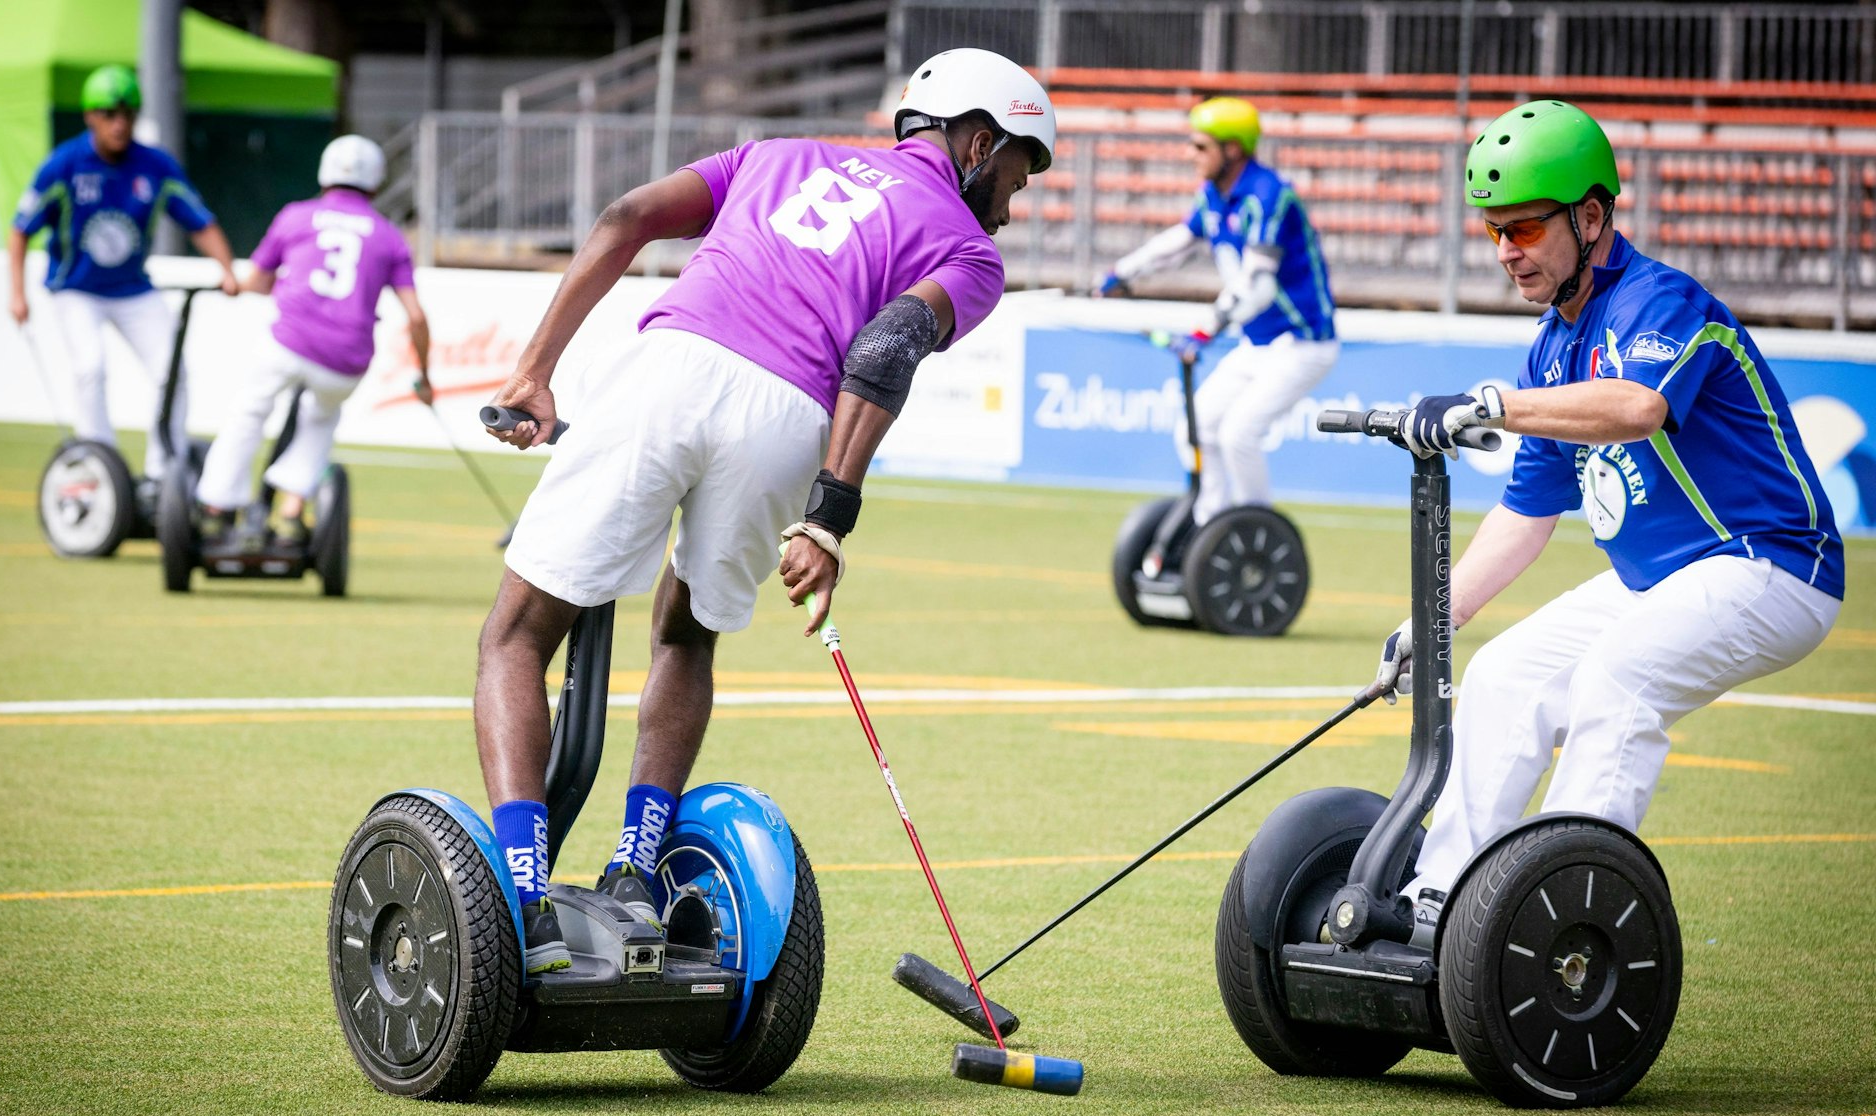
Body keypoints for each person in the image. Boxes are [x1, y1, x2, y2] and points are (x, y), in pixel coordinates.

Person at [474, 48, 1053, 974]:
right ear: (978, 142)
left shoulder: (778, 154)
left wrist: (534, 372)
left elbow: (625, 219)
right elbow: (886, 345)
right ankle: (634, 870)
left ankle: (526, 897)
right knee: (686, 632)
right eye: (1017, 176)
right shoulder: (971, 254)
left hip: (671, 370)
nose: (1011, 207)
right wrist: (828, 518)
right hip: (788, 418)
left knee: (516, 635)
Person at [1375, 101, 1843, 938]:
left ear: (1590, 218)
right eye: (1493, 232)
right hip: (1657, 579)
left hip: (1772, 565)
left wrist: (1498, 404)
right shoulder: (1550, 346)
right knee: (1503, 673)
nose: (1506, 251)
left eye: (1525, 228)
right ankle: (1436, 907)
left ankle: (1558, 917)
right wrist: (1430, 622)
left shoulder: (1660, 301)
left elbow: (1636, 406)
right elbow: (1524, 518)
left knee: (1615, 679)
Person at [1092, 96, 1338, 524]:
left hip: (1302, 343)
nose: (1190, 154)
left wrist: (1205, 330)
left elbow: (1258, 287)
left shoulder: (1269, 196)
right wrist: (1121, 273)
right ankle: (1211, 525)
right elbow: (1178, 242)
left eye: (1200, 146)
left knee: (1239, 434)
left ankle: (1256, 532)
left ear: (1233, 149)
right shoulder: (1213, 196)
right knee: (1197, 428)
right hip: (1257, 344)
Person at [8, 64, 239, 488]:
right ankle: (100, 468)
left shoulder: (155, 166)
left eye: (127, 114)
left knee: (173, 371)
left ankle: (164, 472)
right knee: (91, 368)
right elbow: (21, 229)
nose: (119, 124)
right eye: (109, 114)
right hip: (76, 288)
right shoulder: (64, 164)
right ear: (90, 117)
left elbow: (200, 221)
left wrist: (227, 270)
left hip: (133, 289)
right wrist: (17, 294)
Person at [194, 135, 431, 548]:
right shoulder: (389, 236)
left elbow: (259, 281)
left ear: (324, 174)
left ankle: (215, 508)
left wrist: (235, 285)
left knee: (250, 410)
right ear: (375, 182)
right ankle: (290, 514)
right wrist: (424, 376)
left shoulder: (296, 216)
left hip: (288, 344)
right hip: (345, 361)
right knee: (321, 417)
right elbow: (416, 317)